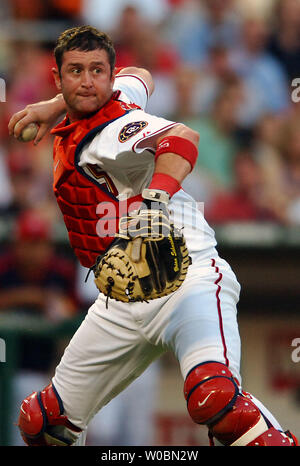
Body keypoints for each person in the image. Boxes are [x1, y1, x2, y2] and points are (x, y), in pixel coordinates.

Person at [8, 25, 298, 446]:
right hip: (123, 297)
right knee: (43, 422)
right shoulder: (116, 93)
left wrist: (154, 200)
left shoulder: (114, 130)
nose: (87, 81)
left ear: (109, 77)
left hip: (187, 278)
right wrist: (56, 106)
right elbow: (141, 74)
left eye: (96, 72)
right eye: (75, 71)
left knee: (215, 400)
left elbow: (182, 139)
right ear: (57, 78)